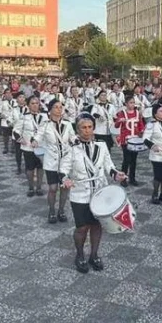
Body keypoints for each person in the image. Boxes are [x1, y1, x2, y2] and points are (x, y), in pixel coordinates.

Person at [62, 114, 126, 273]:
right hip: (80, 193)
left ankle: (94, 255)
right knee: (82, 227)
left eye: (90, 127)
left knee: (97, 225)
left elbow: (108, 166)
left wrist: (116, 174)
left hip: (99, 192)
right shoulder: (71, 147)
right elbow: (63, 169)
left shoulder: (102, 145)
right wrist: (65, 179)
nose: (87, 130)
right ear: (77, 130)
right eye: (83, 127)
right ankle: (79, 255)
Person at [38, 100, 75, 224]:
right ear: (50, 109)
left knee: (64, 188)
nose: (59, 109)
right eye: (56, 107)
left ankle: (61, 210)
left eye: (61, 107)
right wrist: (34, 141)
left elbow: (72, 136)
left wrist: (76, 141)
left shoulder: (68, 124)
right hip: (51, 161)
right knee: (53, 188)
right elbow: (38, 136)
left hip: (65, 161)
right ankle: (52, 210)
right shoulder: (45, 125)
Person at [19, 96, 47, 198]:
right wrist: (20, 139)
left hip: (41, 146)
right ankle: (31, 187)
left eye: (37, 103)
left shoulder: (45, 117)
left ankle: (39, 187)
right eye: (32, 103)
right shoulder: (24, 117)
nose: (35, 105)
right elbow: (16, 131)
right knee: (30, 168)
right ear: (28, 105)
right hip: (28, 147)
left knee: (40, 167)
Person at [114, 97, 144, 187]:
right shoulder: (122, 113)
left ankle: (132, 178)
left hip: (135, 140)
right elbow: (116, 125)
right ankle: (123, 178)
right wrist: (119, 121)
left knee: (134, 160)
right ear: (126, 104)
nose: (132, 104)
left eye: (133, 102)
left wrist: (142, 131)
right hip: (125, 140)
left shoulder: (137, 113)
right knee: (126, 160)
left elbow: (140, 125)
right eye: (130, 102)